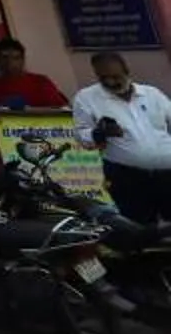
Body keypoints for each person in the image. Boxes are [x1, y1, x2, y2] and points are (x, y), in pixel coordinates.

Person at [70, 52, 171, 224]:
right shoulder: (87, 98)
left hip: (166, 173)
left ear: (126, 70)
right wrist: (100, 133)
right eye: (104, 78)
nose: (111, 82)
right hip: (126, 177)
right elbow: (81, 134)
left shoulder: (151, 94)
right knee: (139, 226)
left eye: (116, 76)